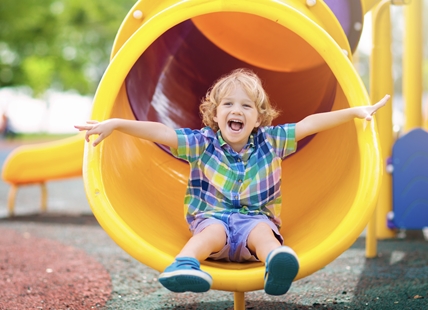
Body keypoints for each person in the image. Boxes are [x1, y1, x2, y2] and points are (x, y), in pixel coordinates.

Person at [75, 68, 390, 296]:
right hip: (213, 221)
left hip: (255, 221)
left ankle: (276, 263)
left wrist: (354, 112)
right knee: (211, 230)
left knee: (264, 233)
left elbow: (310, 124)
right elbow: (160, 132)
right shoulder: (202, 142)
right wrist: (115, 124)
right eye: (227, 104)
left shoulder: (272, 140)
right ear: (215, 114)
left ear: (259, 117)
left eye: (246, 106)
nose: (236, 111)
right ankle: (184, 265)